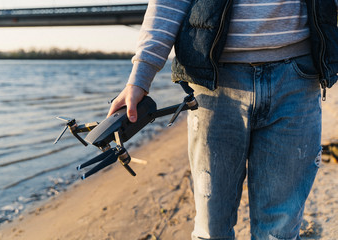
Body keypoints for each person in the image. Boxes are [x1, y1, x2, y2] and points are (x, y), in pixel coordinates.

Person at [108, 0, 338, 239]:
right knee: (211, 230)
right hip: (214, 84)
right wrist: (140, 77)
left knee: (280, 232)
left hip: (297, 80)